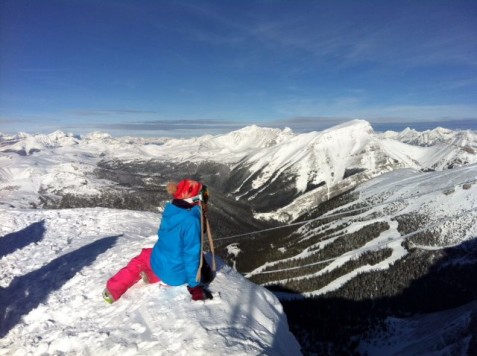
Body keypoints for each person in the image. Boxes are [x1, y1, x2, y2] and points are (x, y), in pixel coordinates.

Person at [103, 179, 214, 303]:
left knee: (141, 259)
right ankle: (153, 276)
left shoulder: (171, 210)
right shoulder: (192, 220)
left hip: (158, 262)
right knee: (180, 259)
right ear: (194, 199)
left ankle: (112, 291)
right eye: (203, 196)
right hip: (176, 276)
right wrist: (194, 286)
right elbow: (191, 255)